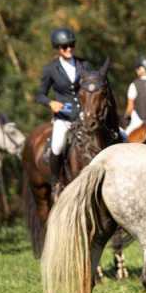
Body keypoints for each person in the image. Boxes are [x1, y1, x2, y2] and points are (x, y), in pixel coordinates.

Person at [35, 27, 89, 196]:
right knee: (57, 146)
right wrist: (50, 102)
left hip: (85, 115)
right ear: (57, 48)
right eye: (64, 47)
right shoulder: (50, 69)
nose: (68, 49)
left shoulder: (84, 64)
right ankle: (56, 182)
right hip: (64, 117)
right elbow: (39, 95)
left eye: (71, 45)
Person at [123, 55, 146, 136]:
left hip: (138, 122)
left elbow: (130, 108)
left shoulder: (134, 84)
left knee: (124, 138)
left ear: (141, 69)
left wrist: (125, 119)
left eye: (138, 68)